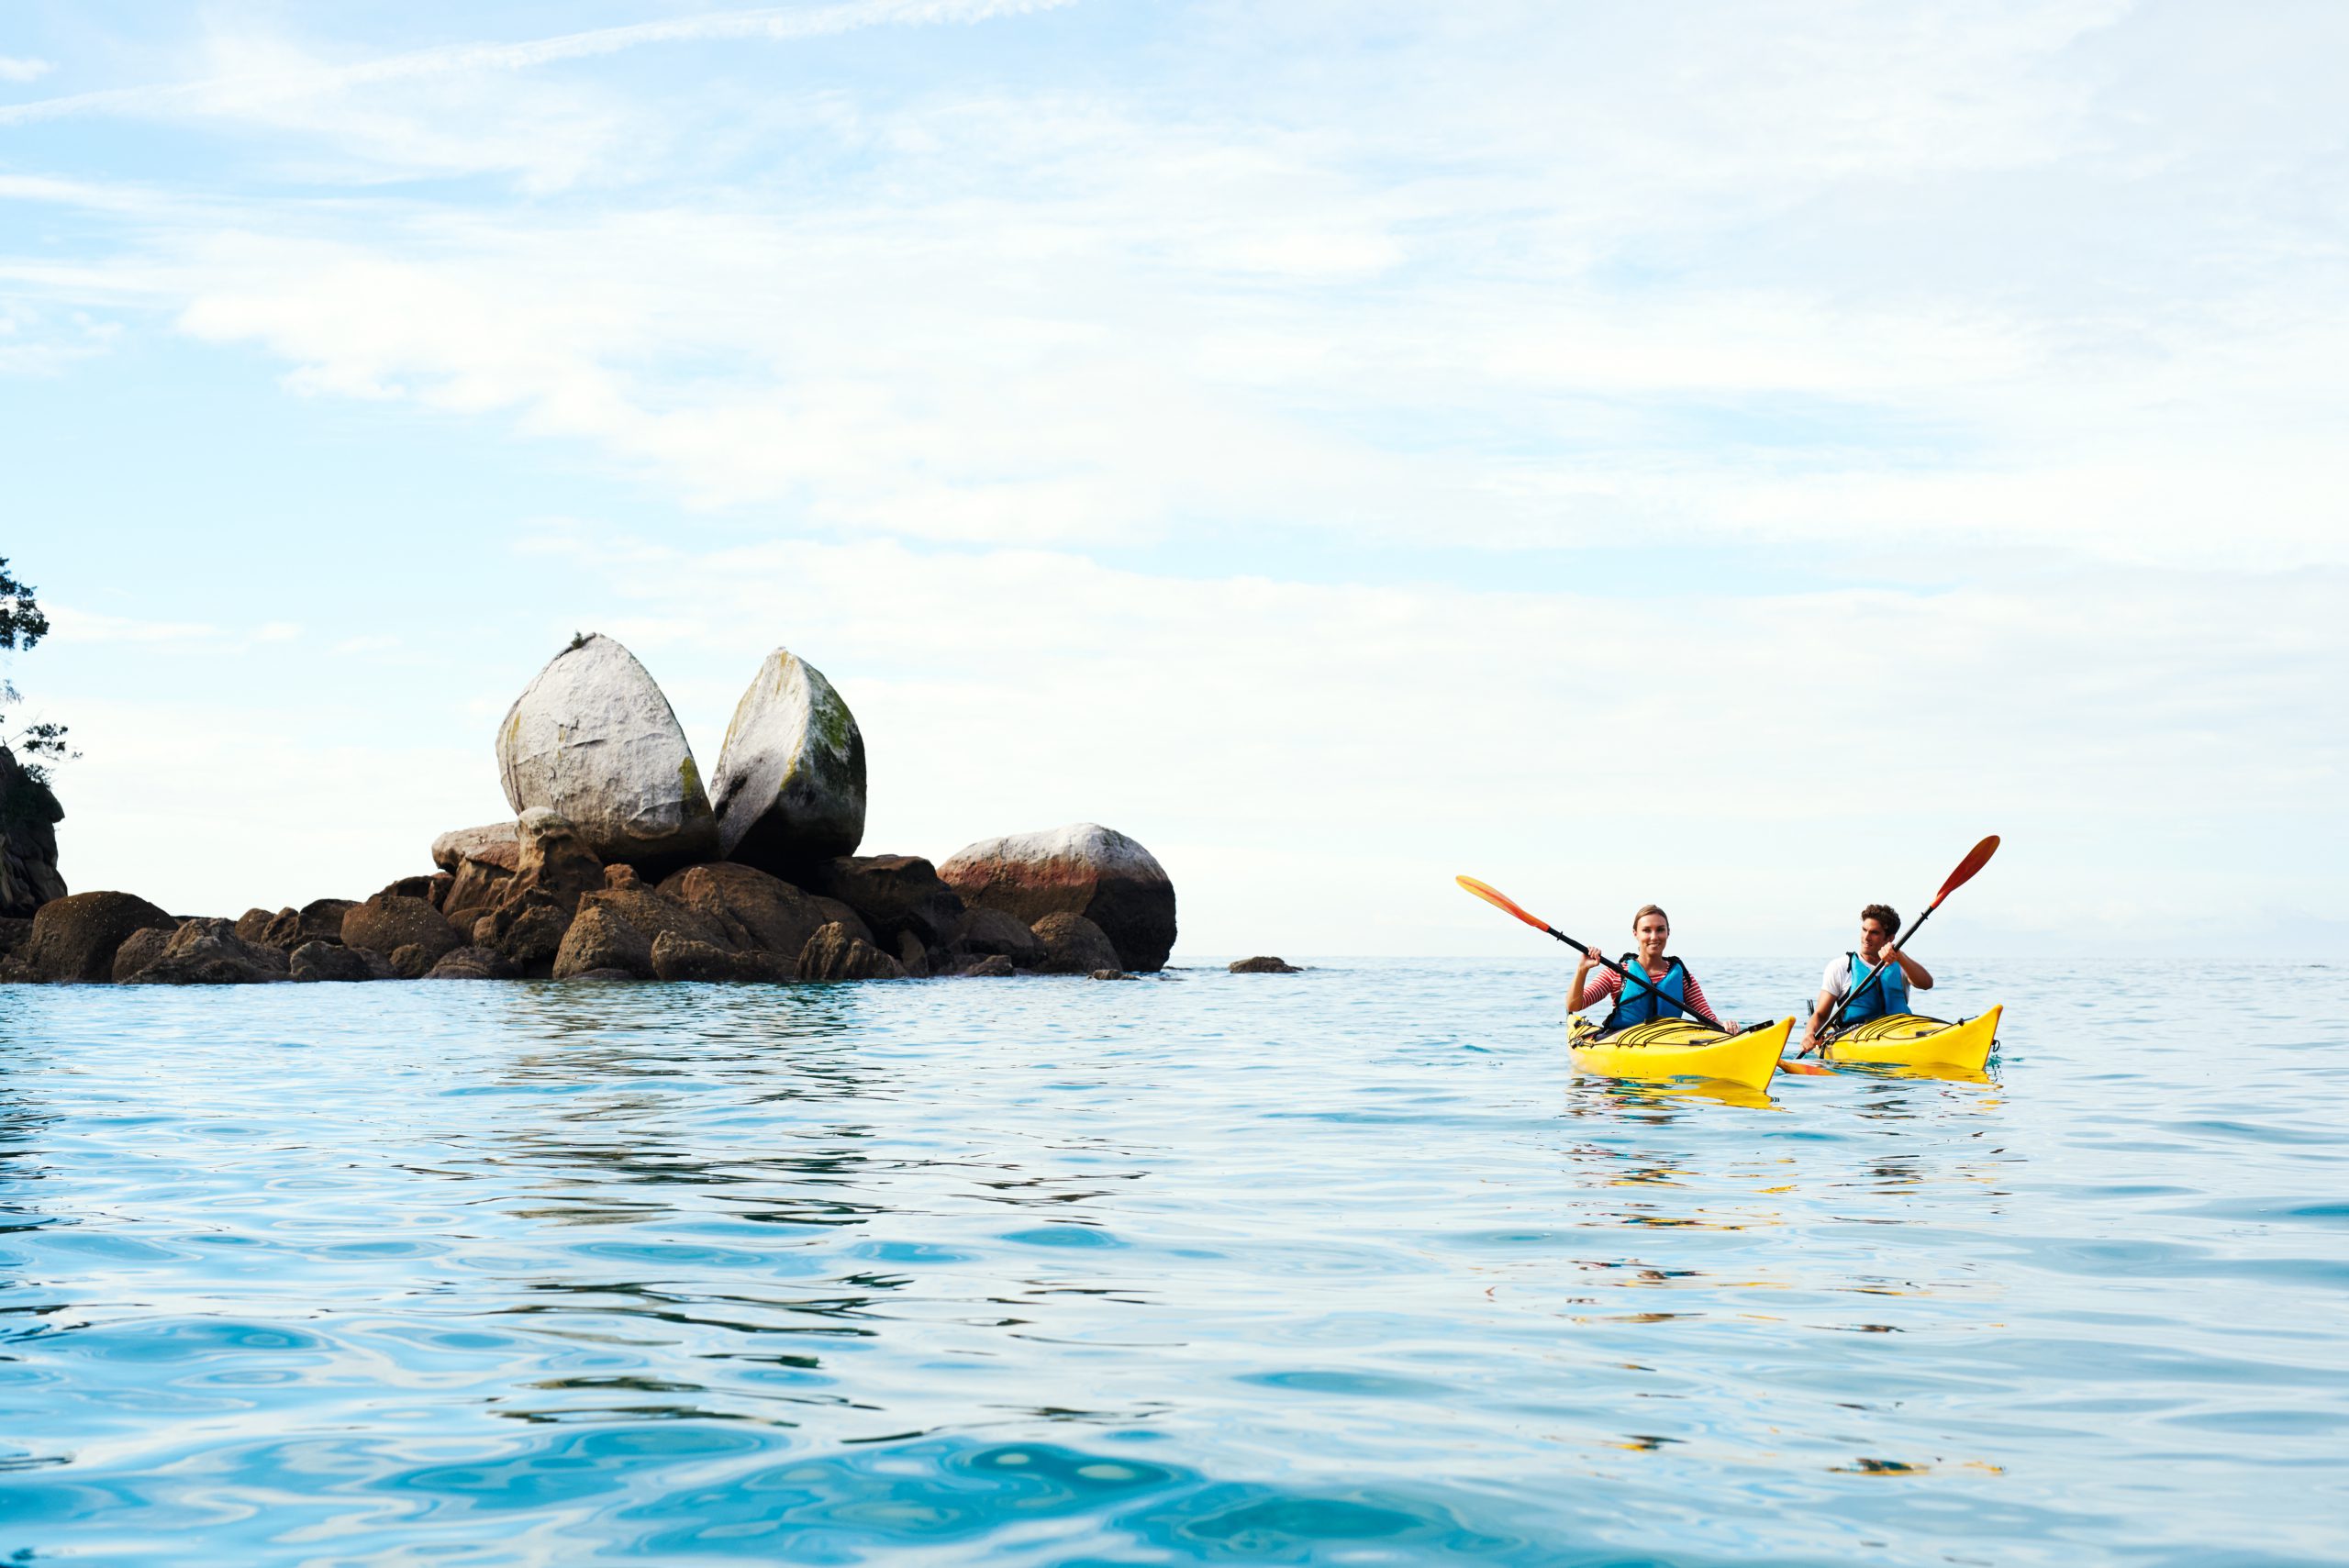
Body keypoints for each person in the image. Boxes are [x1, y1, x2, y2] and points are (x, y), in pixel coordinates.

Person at [1568, 904, 1739, 1034]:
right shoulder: (1617, 973)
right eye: (1646, 930)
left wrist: (1725, 1026)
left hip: (1667, 1042)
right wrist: (1582, 969)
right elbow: (1575, 1005)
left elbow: (1708, 1018)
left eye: (1660, 930)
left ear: (1668, 932)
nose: (1654, 937)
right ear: (1635, 933)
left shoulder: (1682, 977)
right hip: (1624, 1044)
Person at [1802, 903, 1934, 1052]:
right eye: (1864, 930)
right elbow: (1821, 1015)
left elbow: (1927, 984)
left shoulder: (1902, 964)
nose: (1866, 937)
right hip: (1856, 1037)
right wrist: (1809, 1033)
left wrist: (1900, 956)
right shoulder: (1840, 967)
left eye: (1874, 933)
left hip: (1901, 1032)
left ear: (1889, 938)